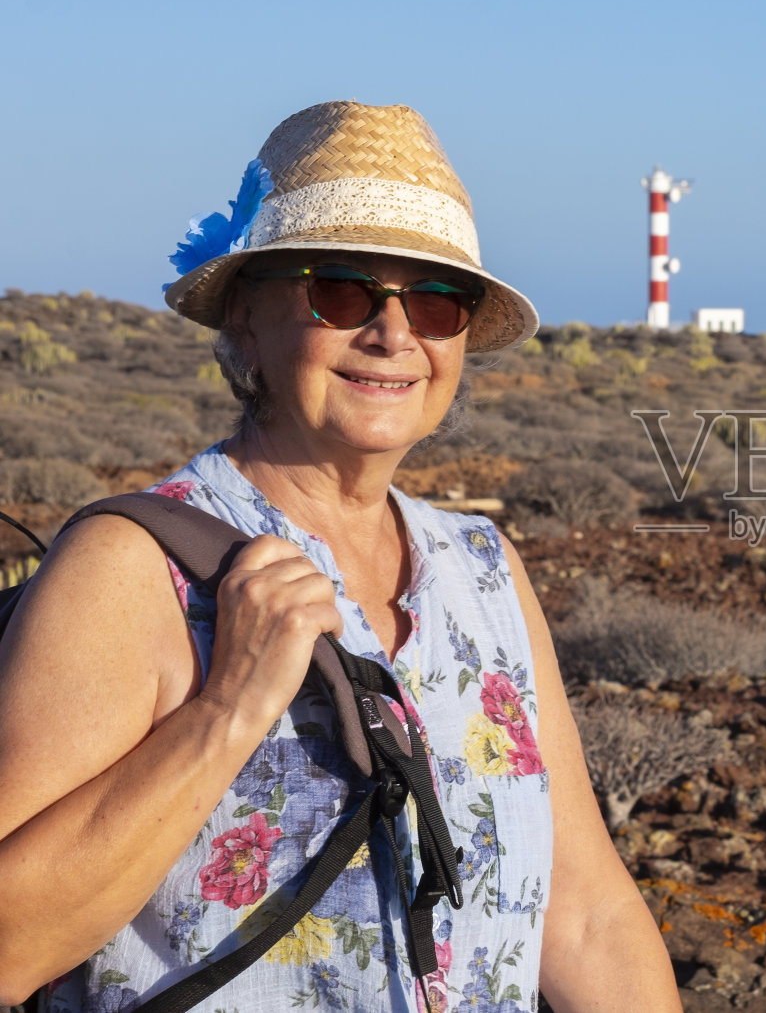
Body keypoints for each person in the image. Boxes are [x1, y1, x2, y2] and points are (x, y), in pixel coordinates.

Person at [0, 101, 682, 1012]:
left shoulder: (483, 569)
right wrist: (228, 710)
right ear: (247, 312)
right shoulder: (131, 567)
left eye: (437, 301)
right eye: (345, 291)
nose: (395, 335)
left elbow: (584, 913)